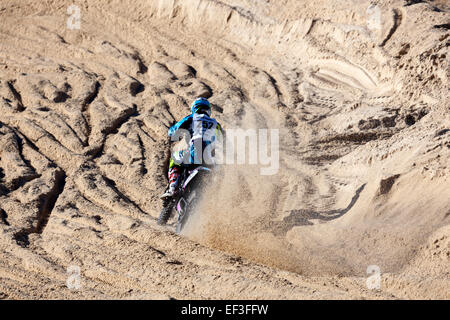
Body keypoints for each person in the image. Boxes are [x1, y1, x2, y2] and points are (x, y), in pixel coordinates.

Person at [160, 97, 223, 200]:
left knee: (174, 159)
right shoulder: (216, 124)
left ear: (194, 108)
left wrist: (173, 133)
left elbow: (174, 131)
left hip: (195, 153)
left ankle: (173, 188)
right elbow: (223, 141)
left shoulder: (192, 117)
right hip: (210, 160)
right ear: (208, 109)